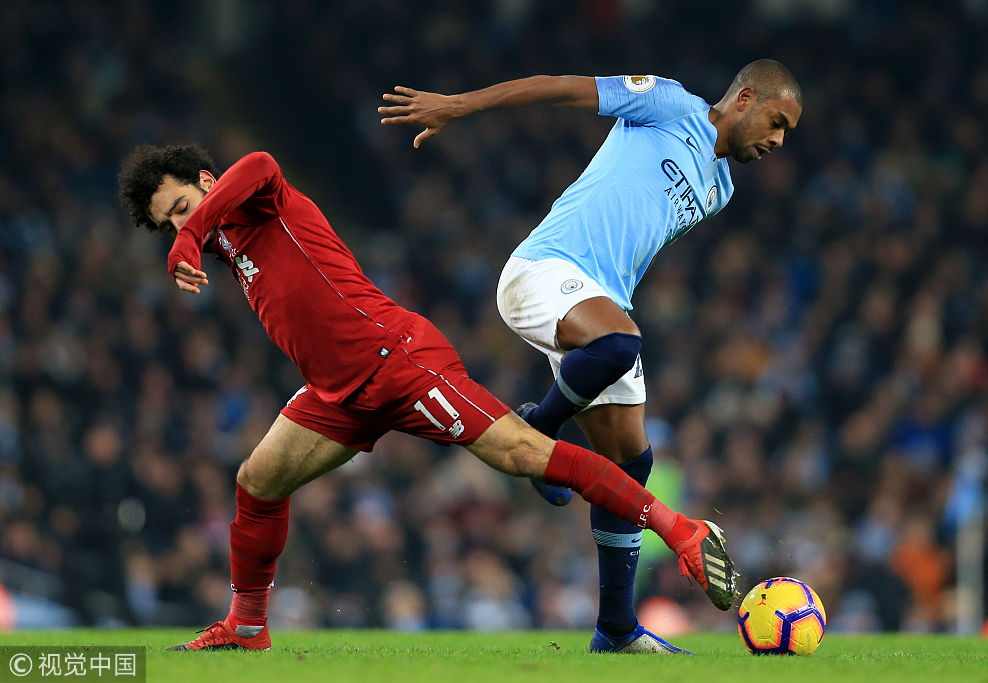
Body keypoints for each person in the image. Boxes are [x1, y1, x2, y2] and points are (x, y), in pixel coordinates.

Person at [117, 144, 738, 653]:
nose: (180, 226)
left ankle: (681, 531)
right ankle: (247, 627)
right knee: (257, 482)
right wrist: (195, 233)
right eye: (168, 224)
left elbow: (259, 163)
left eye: (182, 207)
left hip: (397, 361)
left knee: (522, 453)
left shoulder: (255, 199)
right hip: (336, 392)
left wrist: (190, 234)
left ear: (206, 182)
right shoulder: (222, 240)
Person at [379, 59, 801, 651]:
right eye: (777, 122)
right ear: (746, 98)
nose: (778, 140)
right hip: (542, 270)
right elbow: (559, 88)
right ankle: (542, 424)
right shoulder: (668, 102)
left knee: (630, 466)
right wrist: (459, 105)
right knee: (620, 342)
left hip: (595, 299)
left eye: (787, 133)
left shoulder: (720, 190)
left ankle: (617, 630)